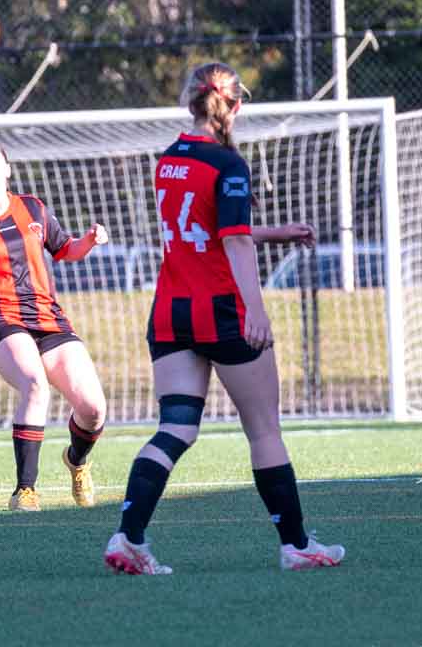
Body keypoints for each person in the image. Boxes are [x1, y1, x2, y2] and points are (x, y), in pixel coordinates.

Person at [104, 63, 345, 576]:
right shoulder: (228, 164)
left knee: (175, 429)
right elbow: (232, 241)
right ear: (234, 105)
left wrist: (273, 232)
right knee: (264, 431)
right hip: (221, 311)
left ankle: (128, 536)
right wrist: (255, 308)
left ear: (191, 101)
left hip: (172, 311)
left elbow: (203, 229)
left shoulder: (169, 159)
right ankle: (296, 545)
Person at [0, 140, 109, 513]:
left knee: (93, 408)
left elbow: (65, 250)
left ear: (8, 168)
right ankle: (25, 491)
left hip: (47, 316)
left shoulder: (33, 208)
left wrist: (89, 240)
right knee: (35, 385)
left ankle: (77, 461)